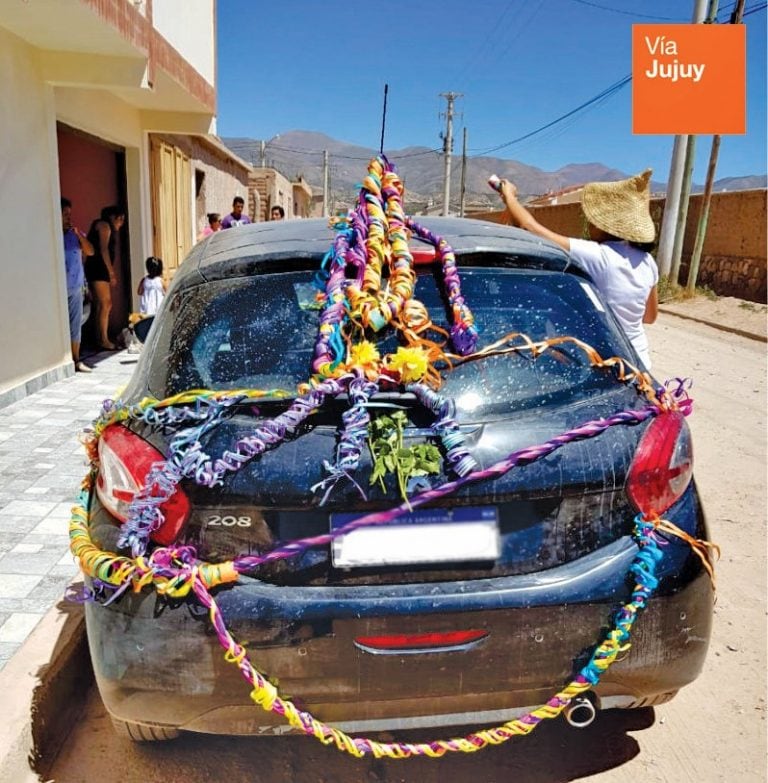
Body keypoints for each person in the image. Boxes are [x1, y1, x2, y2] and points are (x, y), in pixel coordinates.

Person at [495, 170, 659, 370]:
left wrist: (509, 196)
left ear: (604, 225)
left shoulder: (599, 255)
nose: (589, 224)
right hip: (640, 362)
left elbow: (531, 228)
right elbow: (649, 317)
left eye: (592, 220)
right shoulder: (647, 261)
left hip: (610, 363)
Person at [61, 197, 95, 372]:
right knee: (62, 325)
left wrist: (78, 236)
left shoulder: (76, 234)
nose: (68, 217)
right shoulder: (53, 236)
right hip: (59, 289)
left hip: (75, 286)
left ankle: (76, 359)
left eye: (69, 214)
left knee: (75, 324)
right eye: (65, 214)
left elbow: (90, 251)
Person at [85, 205, 125, 351]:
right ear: (114, 217)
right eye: (120, 219)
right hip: (98, 269)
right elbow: (103, 249)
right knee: (105, 303)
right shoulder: (104, 225)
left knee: (103, 305)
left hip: (99, 269)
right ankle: (103, 339)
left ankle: (101, 337)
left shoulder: (105, 226)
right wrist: (111, 272)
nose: (121, 223)